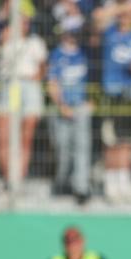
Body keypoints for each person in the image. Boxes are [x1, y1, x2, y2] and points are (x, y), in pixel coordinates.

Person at [93, 0, 131, 201]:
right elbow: (97, 19)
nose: (126, 17)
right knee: (111, 139)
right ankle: (111, 183)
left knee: (127, 140)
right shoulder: (109, 32)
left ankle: (124, 183)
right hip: (112, 91)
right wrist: (123, 6)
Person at [0, 6, 47, 188]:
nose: (23, 24)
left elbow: (42, 66)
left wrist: (36, 78)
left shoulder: (36, 42)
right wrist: (4, 39)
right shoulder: (5, 37)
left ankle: (19, 180)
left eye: (26, 21)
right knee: (5, 136)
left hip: (29, 86)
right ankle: (8, 179)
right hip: (9, 85)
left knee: (26, 137)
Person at [47, 23, 92, 204]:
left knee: (82, 147)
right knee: (62, 148)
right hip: (62, 108)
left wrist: (91, 101)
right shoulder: (56, 54)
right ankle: (62, 182)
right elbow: (52, 81)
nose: (73, 35)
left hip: (80, 107)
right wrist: (61, 104)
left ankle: (80, 188)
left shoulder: (85, 53)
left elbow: (93, 78)